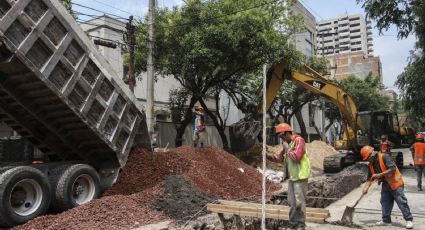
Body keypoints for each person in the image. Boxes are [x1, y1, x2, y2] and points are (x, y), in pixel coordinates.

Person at [267, 123, 311, 230]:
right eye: (280, 137)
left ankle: (300, 225)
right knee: (292, 203)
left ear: (287, 133)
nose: (281, 139)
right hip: (292, 177)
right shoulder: (287, 144)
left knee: (299, 203)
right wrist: (267, 155)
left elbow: (297, 157)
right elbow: (279, 158)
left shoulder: (298, 140)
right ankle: (292, 225)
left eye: (282, 136)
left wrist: (288, 149)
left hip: (300, 176)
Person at [360, 145, 413, 229]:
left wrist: (379, 174)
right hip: (385, 184)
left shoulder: (385, 157)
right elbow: (370, 178)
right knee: (385, 202)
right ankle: (386, 220)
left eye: (367, 158)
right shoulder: (371, 164)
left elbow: (393, 169)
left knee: (401, 202)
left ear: (372, 155)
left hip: (396, 183)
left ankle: (409, 220)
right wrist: (365, 188)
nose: (367, 161)